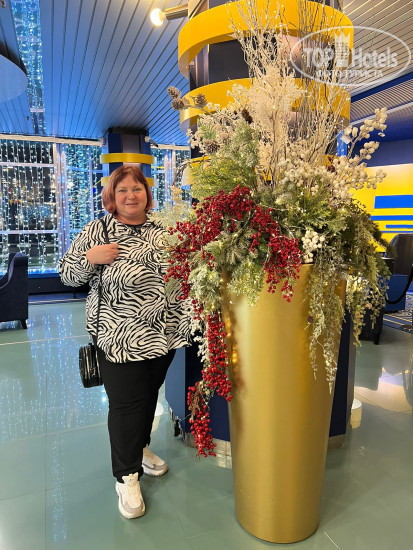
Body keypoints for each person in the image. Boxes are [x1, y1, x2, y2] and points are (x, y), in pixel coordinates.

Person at [59, 165, 190, 519]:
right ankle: (126, 476)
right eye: (122, 190)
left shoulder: (164, 230)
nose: (131, 195)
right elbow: (67, 275)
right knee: (126, 405)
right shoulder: (97, 230)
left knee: (147, 397)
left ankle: (140, 448)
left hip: (162, 336)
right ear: (112, 198)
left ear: (147, 193)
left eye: (137, 188)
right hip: (118, 338)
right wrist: (90, 258)